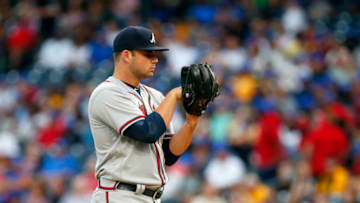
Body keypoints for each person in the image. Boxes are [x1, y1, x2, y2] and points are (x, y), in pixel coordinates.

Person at [88, 25, 202, 203]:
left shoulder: (156, 96)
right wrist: (173, 95)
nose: (155, 59)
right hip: (120, 194)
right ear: (126, 55)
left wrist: (191, 123)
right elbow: (147, 132)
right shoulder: (107, 92)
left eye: (155, 54)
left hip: (152, 197)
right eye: (148, 54)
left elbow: (169, 154)